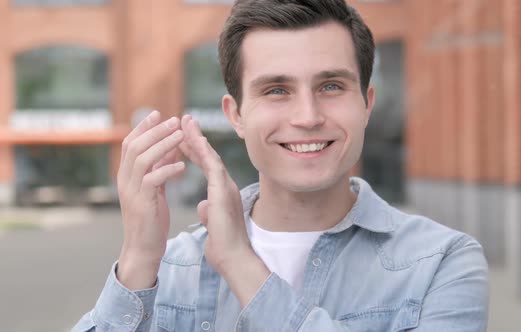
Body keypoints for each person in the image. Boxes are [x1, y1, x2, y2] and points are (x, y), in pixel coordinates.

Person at [73, 0, 489, 331]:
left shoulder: (442, 262)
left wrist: (239, 262)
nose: (307, 116)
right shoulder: (167, 268)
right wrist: (138, 258)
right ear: (235, 115)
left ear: (367, 104)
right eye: (276, 90)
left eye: (330, 86)